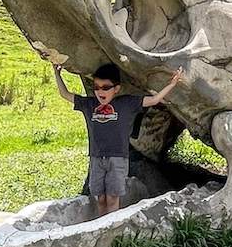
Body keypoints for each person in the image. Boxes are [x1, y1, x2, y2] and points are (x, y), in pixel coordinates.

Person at [53, 62, 183, 216]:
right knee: (99, 198)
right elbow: (65, 94)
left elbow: (154, 100)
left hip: (118, 159)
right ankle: (102, 225)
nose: (100, 91)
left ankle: (111, 228)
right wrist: (57, 74)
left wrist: (172, 84)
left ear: (116, 89)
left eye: (105, 87)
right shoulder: (89, 104)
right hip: (96, 158)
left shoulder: (126, 104)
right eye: (96, 87)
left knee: (113, 198)